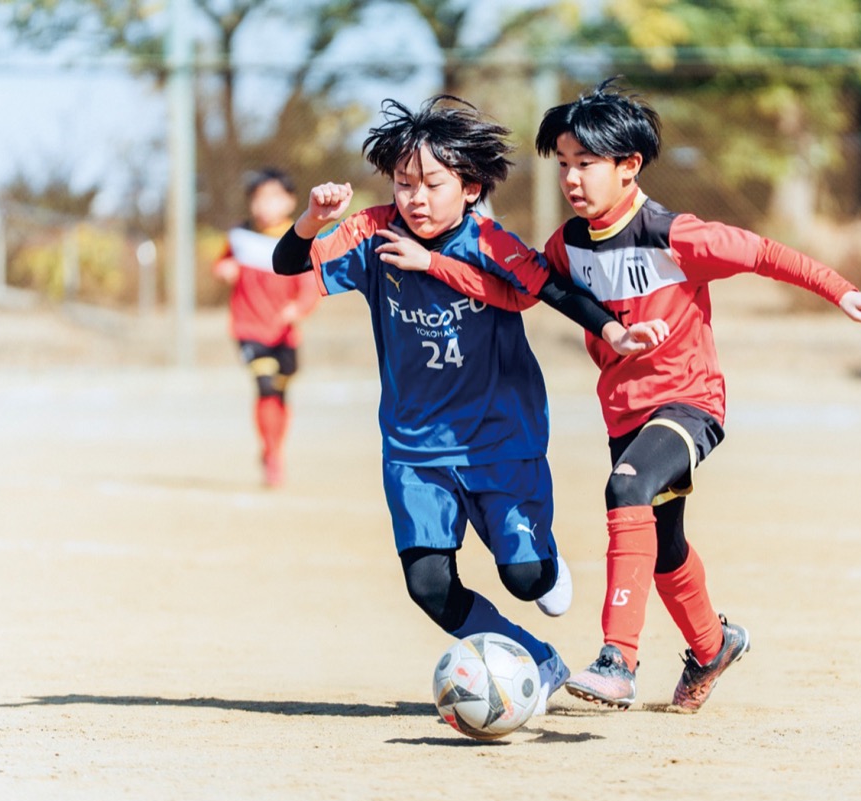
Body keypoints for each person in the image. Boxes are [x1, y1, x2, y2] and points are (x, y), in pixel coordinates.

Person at [404, 79, 861, 712]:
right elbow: (521, 291)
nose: (571, 178)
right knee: (664, 543)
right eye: (563, 164)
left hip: (689, 403)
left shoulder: (675, 235)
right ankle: (712, 644)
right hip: (624, 413)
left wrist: (841, 290)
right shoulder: (567, 246)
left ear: (629, 166)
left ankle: (617, 660)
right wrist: (435, 267)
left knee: (626, 488)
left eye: (586, 164)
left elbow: (765, 255)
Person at [269, 96, 664, 714]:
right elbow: (288, 265)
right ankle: (537, 659)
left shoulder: (489, 241)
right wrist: (310, 220)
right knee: (428, 585)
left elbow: (550, 288)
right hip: (413, 448)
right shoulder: (371, 232)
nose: (414, 198)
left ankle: (546, 564)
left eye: (431, 184)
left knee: (526, 578)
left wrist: (612, 331)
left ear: (471, 187)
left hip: (499, 439)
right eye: (403, 184)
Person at [212, 167, 321, 488]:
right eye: (258, 199)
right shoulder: (240, 236)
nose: (264, 205)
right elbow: (222, 262)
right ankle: (271, 454)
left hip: (284, 331)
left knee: (280, 392)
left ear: (289, 201)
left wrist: (298, 308)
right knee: (264, 385)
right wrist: (224, 268)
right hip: (248, 327)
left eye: (273, 198)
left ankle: (275, 447)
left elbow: (310, 284)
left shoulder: (298, 238)